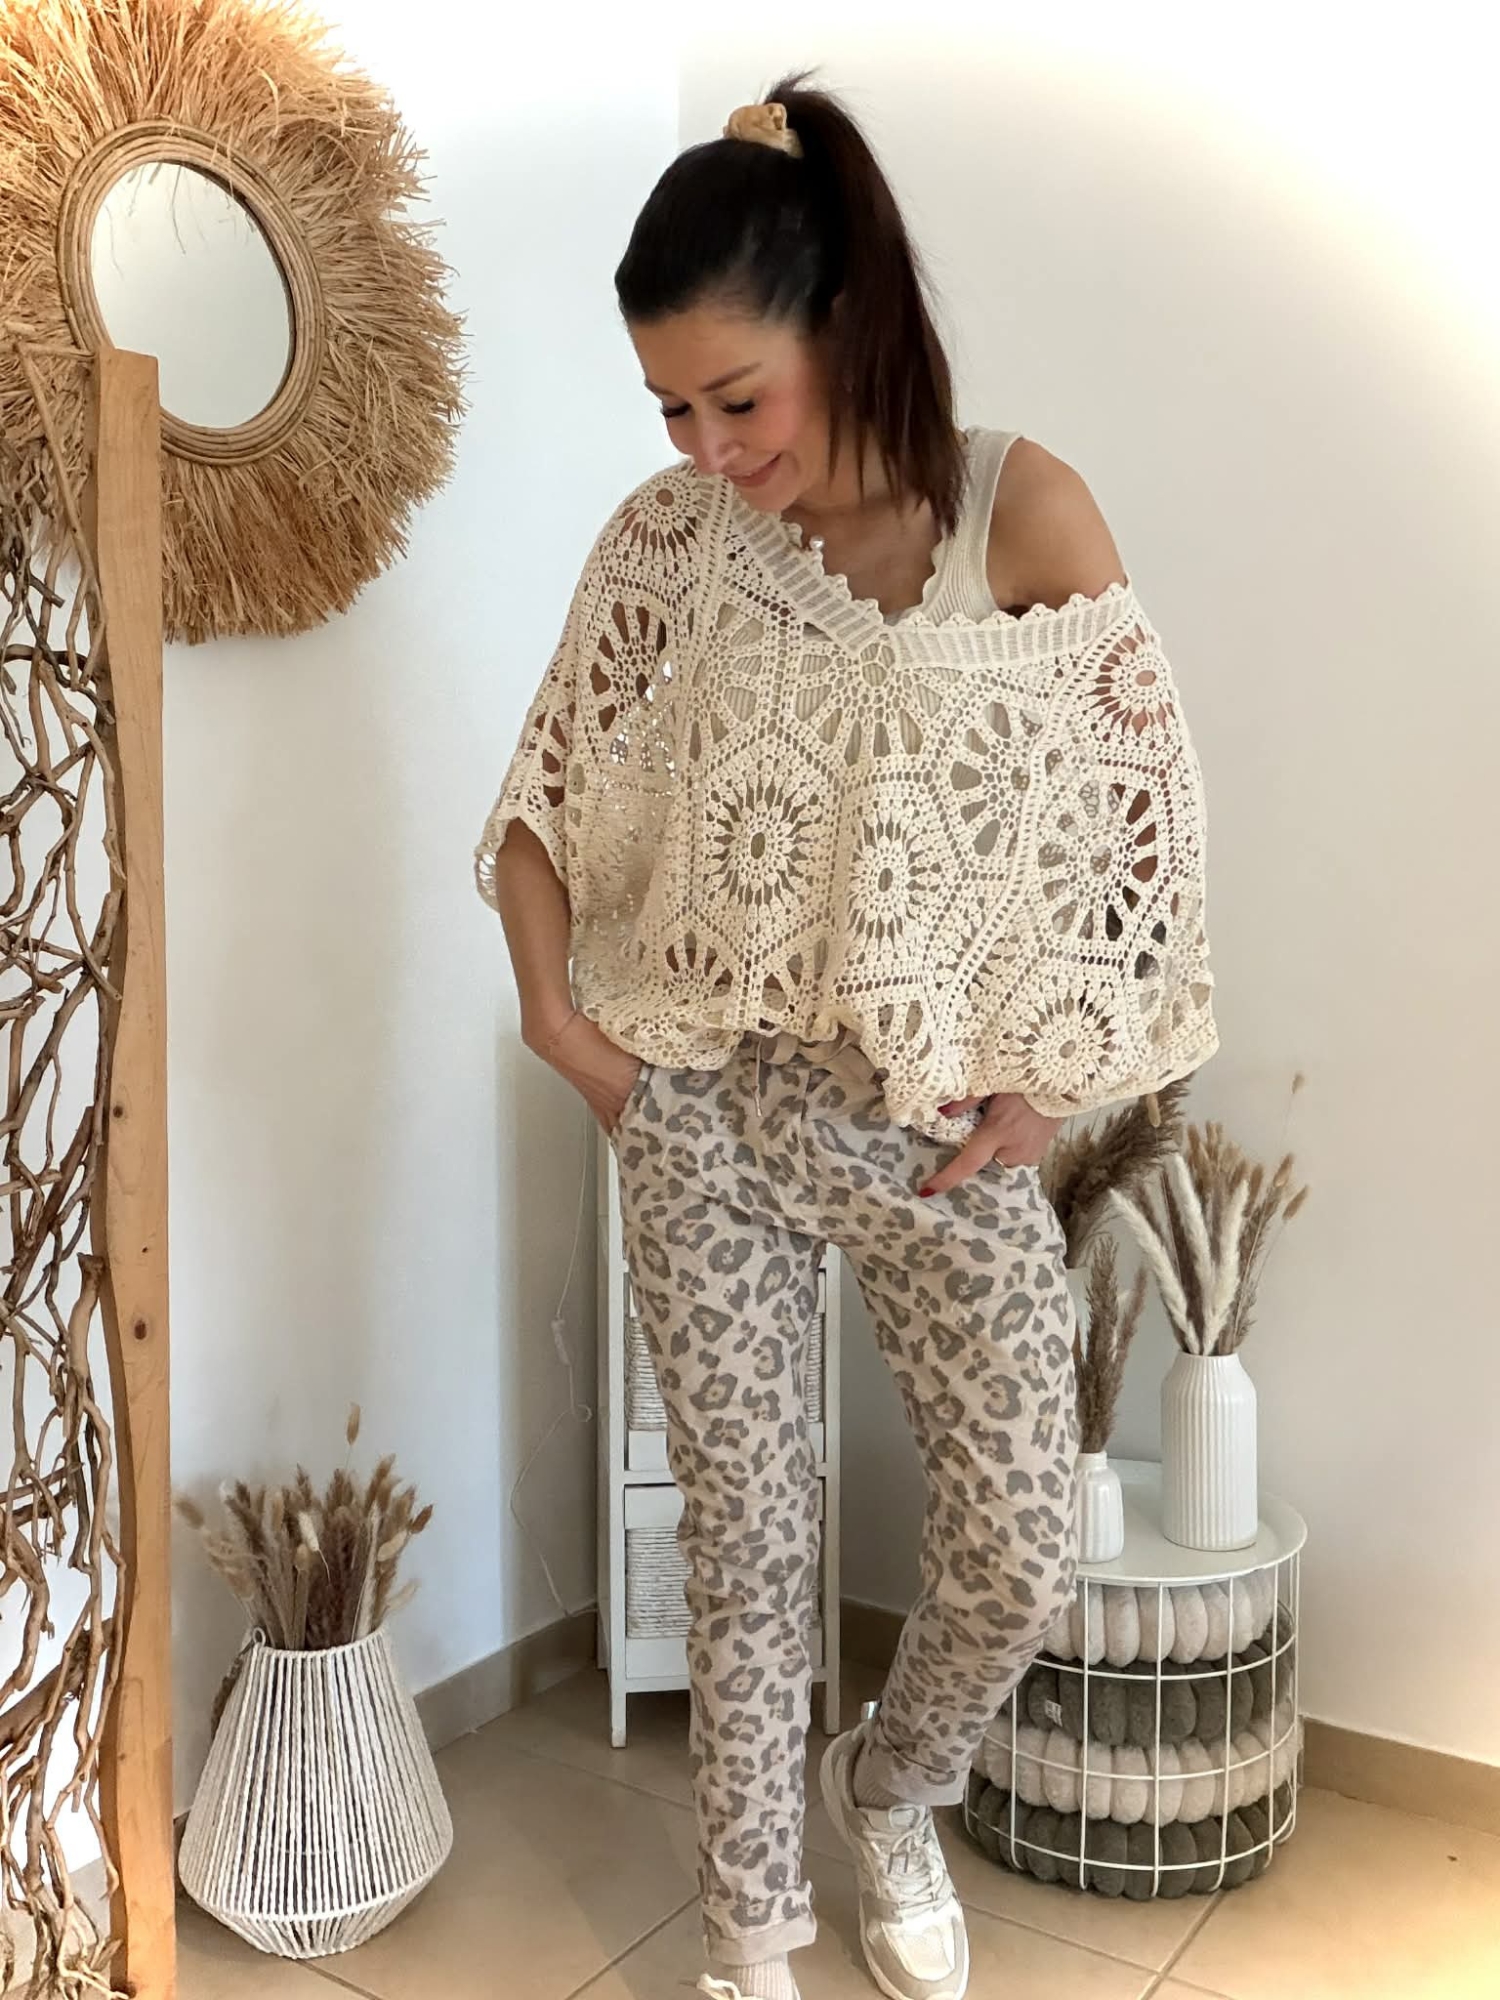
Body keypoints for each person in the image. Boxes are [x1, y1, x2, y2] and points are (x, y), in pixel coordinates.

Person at [476, 73, 1216, 2000]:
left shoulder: (1016, 514)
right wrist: (568, 1032)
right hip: (702, 1107)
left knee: (1022, 1537)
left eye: (737, 398)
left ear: (849, 318)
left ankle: (888, 1793)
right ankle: (748, 1941)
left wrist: (1047, 1085)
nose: (706, 449)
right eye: (671, 409)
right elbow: (545, 799)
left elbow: (1134, 837)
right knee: (745, 1538)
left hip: (924, 1126)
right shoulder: (671, 545)